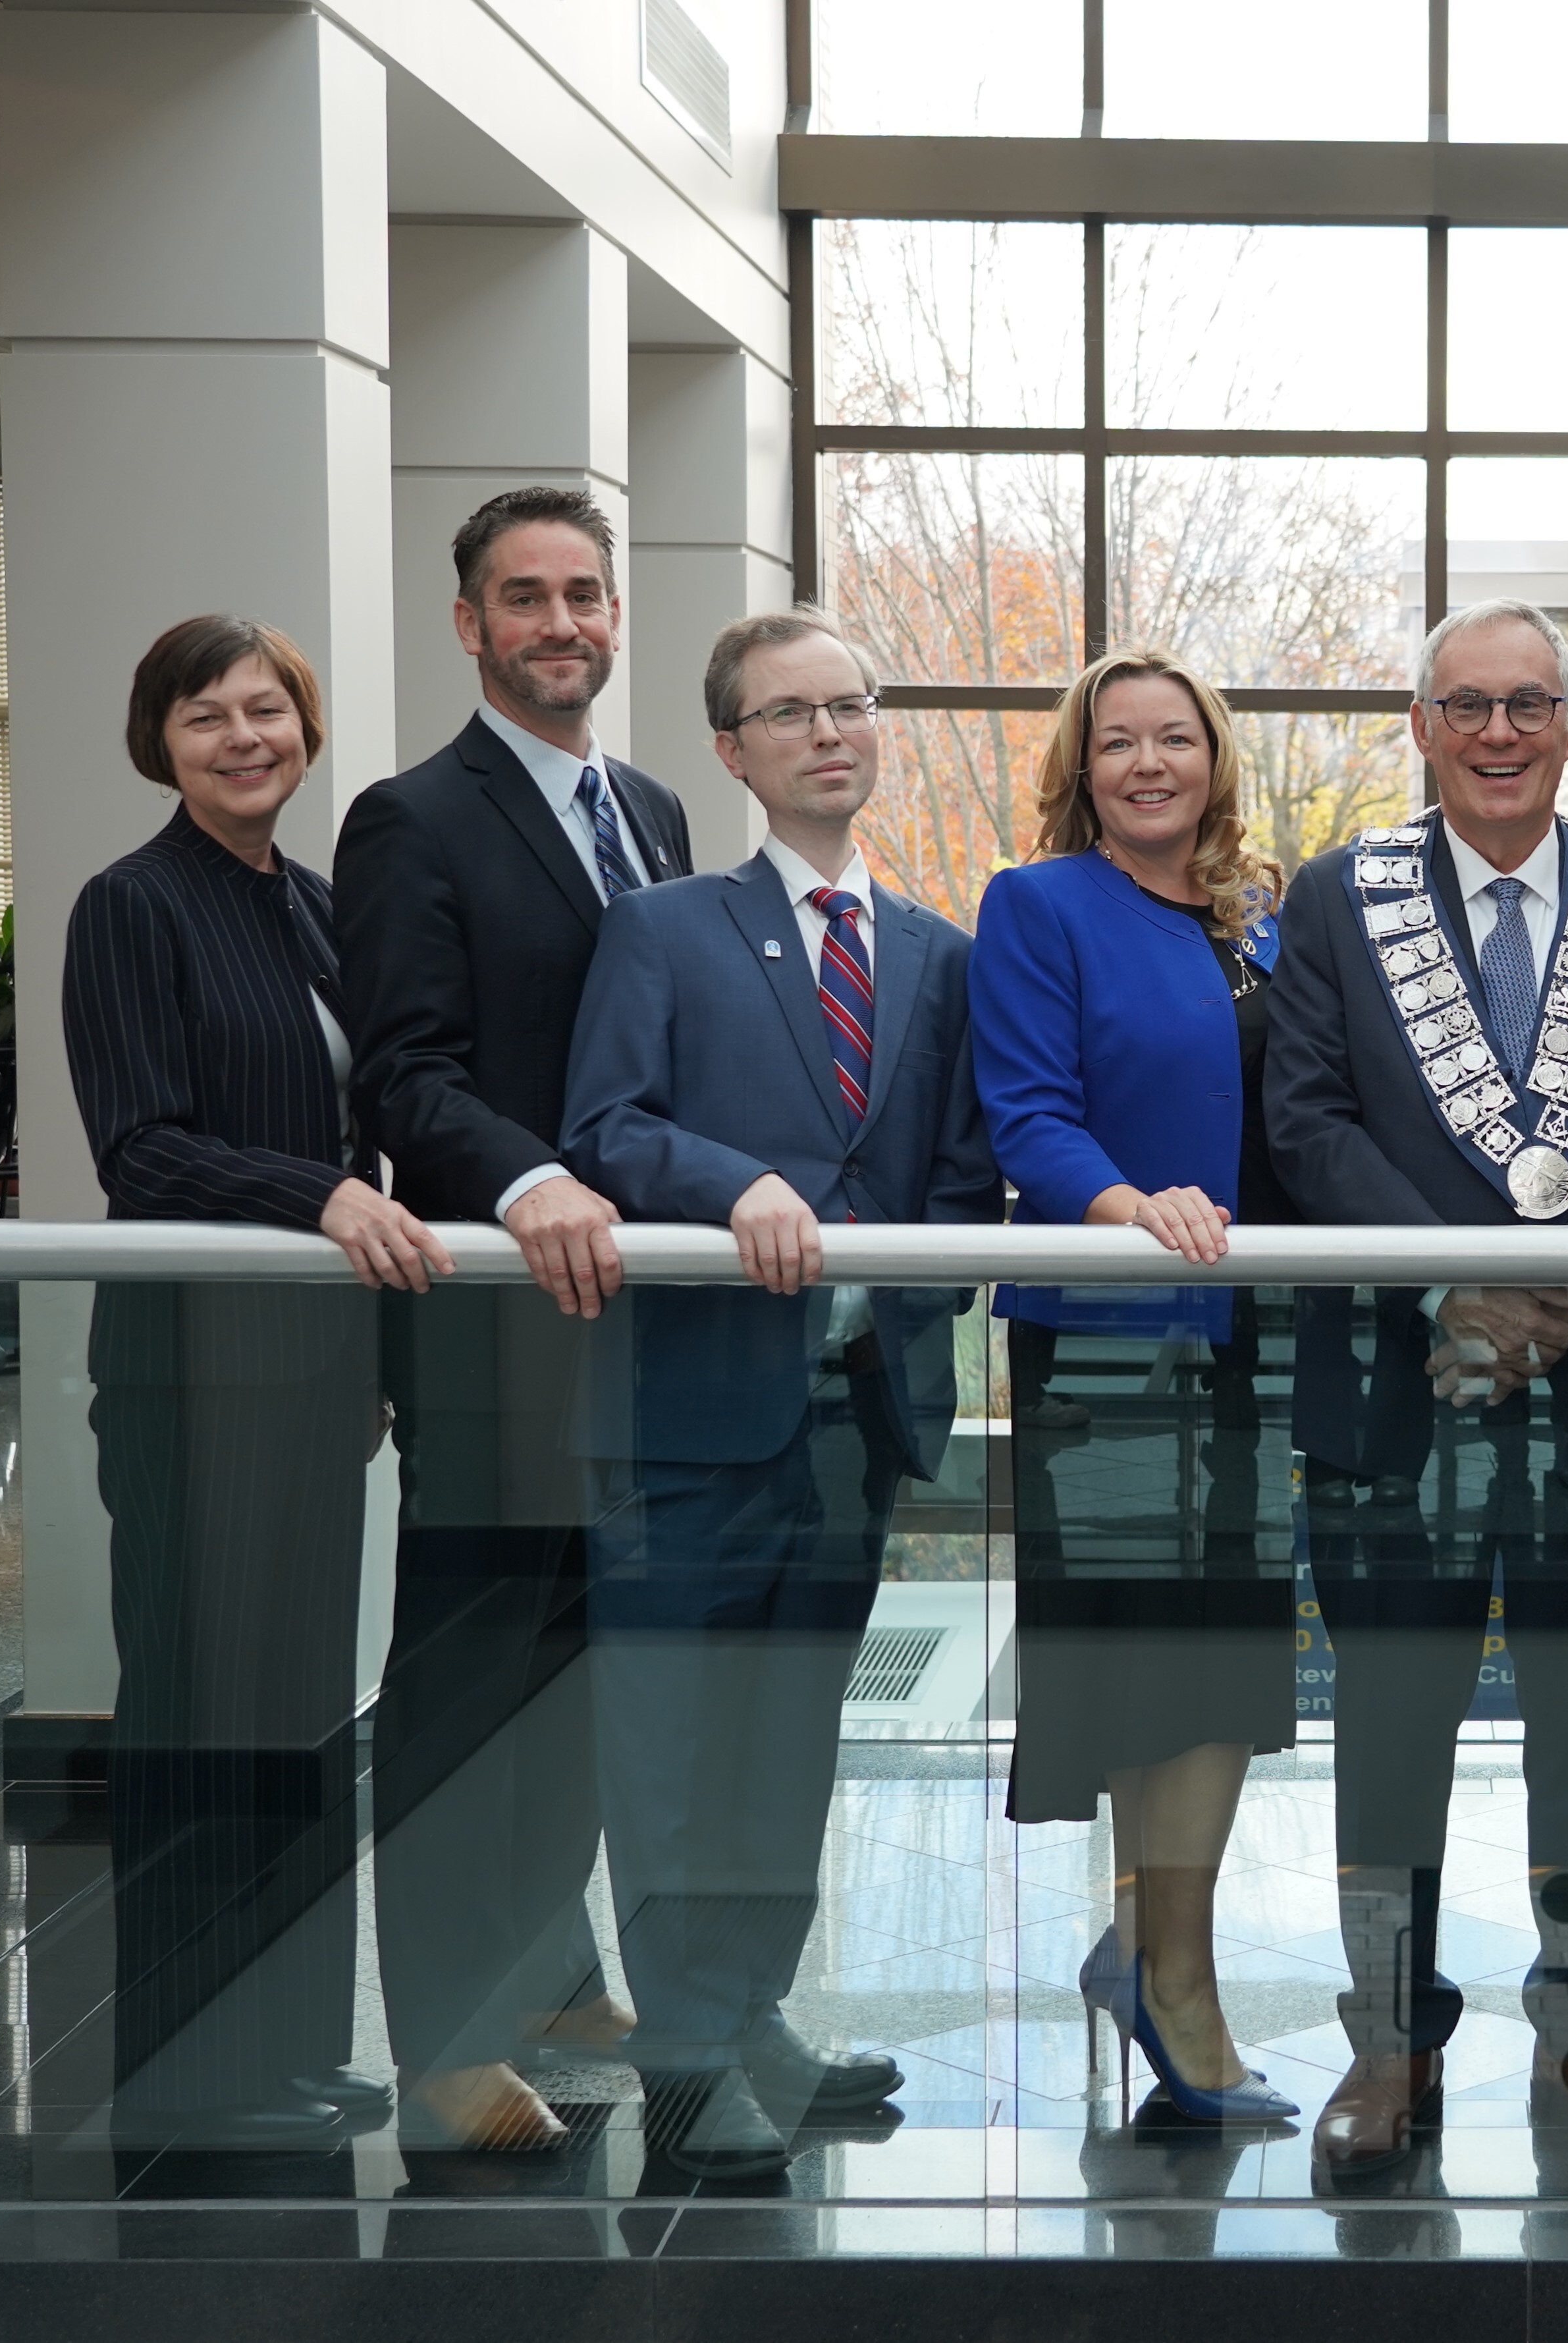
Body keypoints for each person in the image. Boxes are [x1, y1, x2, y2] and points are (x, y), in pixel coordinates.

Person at [1265, 598, 1568, 2180]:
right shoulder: (1339, 899)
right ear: (1420, 727)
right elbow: (1307, 1117)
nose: (1498, 735)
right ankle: (1389, 2049)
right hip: (1396, 1384)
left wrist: (1567, 1283)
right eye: (1465, 706)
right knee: (1386, 1731)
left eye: (1530, 704)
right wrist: (1453, 1278)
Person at [559, 605, 996, 2178]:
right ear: (733, 750)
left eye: (852, 706)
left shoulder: (941, 955)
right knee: (673, 1746)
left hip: (851, 1424)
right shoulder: (663, 930)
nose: (830, 732)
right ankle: (681, 2055)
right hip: (690, 1412)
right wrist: (735, 1181)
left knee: (789, 1744)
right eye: (791, 713)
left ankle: (748, 2009)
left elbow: (955, 1181)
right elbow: (605, 1125)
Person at [64, 616, 456, 2150]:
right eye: (207, 715)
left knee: (298, 1710)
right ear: (158, 737)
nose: (245, 738)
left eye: (269, 710)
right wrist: (321, 1198)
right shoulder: (127, 907)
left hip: (307, 1368)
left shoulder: (315, 905)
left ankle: (287, 2047)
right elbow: (141, 1148)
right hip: (189, 1368)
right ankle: (187, 2072)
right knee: (198, 1709)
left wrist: (357, 1325)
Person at [335, 485, 690, 2153]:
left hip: (639, 1324)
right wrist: (529, 1177)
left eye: (586, 594)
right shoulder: (413, 818)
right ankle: (446, 2052)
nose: (563, 624)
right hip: (500, 1309)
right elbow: (408, 1069)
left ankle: (552, 1968)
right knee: (472, 1680)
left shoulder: (658, 808)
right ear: (470, 625)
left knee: (585, 1662)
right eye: (525, 598)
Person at [971, 648, 1298, 2127]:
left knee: (1226, 1665)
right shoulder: (1039, 907)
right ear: (1082, 766)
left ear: (1216, 760)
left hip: (1243, 1341)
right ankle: (1177, 1980)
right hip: (1108, 1333)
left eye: (1178, 740)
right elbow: (1026, 1117)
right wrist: (1128, 1210)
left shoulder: (1258, 924)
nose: (1151, 765)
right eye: (1121, 744)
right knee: (1141, 1660)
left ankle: (1160, 1951)